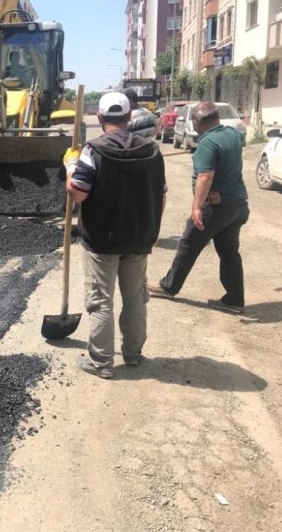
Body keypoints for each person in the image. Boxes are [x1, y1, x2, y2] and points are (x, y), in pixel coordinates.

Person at [65, 91, 166, 379]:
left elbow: (78, 193)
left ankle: (102, 362)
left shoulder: (93, 150)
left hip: (102, 239)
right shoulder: (152, 151)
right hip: (139, 237)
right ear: (128, 117)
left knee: (100, 301)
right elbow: (162, 195)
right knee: (135, 297)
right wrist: (152, 232)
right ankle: (133, 354)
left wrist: (70, 167)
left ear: (99, 118)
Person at [148, 101, 250, 314]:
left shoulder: (208, 143)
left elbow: (205, 176)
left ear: (195, 122)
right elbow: (224, 154)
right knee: (229, 251)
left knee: (188, 243)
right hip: (238, 205)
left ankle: (169, 286)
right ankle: (234, 300)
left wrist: (196, 208)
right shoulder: (232, 134)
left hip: (216, 205)